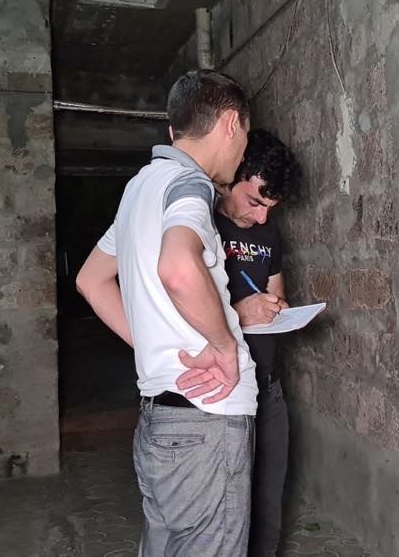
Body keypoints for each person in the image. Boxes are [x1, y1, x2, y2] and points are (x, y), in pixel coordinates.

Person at [75, 70, 257, 557]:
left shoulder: (139, 188)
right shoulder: (189, 184)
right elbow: (177, 267)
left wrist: (155, 342)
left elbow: (91, 280)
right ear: (231, 124)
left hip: (160, 420)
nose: (243, 153)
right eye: (245, 135)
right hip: (207, 421)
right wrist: (222, 346)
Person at [213, 128, 302, 557]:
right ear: (232, 176)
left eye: (271, 208)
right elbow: (171, 309)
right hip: (221, 389)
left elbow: (276, 295)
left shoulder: (267, 231)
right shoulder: (199, 223)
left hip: (267, 384)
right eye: (254, 202)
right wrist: (238, 312)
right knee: (225, 509)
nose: (263, 218)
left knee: (268, 504)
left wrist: (277, 307)